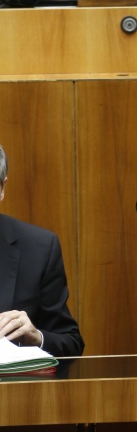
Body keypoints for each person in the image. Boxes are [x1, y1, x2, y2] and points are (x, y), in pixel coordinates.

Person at [0, 145, 84, 357]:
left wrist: (36, 337)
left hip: (12, 387)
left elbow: (71, 343)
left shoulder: (39, 249)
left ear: (2, 188)